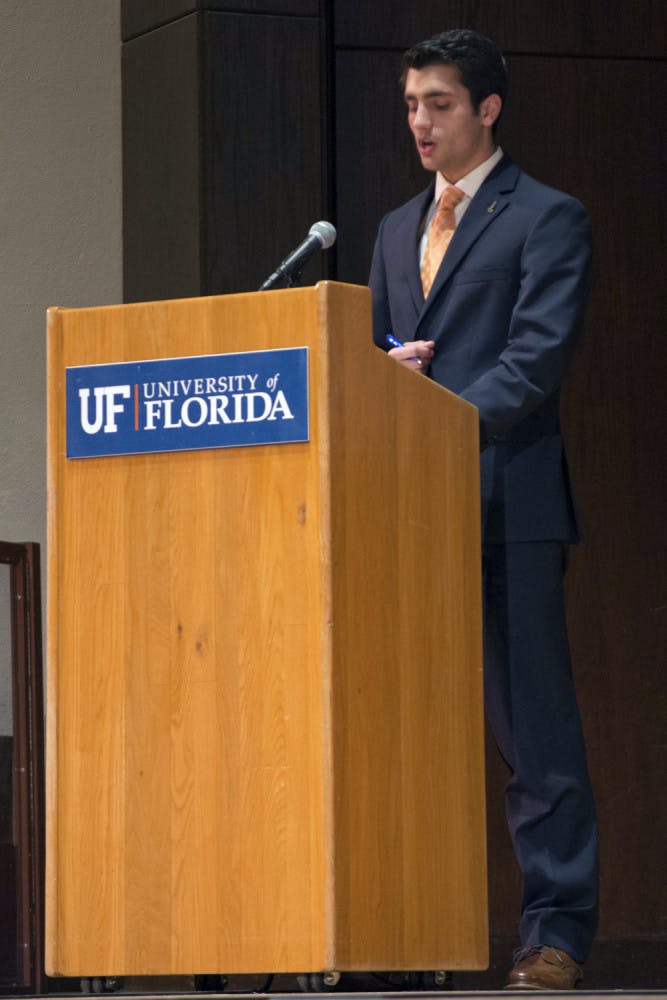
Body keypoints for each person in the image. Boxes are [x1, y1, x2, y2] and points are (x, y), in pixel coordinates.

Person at [369, 28, 599, 991]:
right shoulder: (389, 231)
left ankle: (555, 936)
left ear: (487, 108)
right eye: (412, 103)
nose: (420, 121)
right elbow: (387, 351)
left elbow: (534, 361)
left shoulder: (546, 215)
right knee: (404, 725)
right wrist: (377, 380)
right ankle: (404, 936)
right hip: (407, 511)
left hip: (507, 500)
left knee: (531, 735)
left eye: (440, 104)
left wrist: (431, 419)